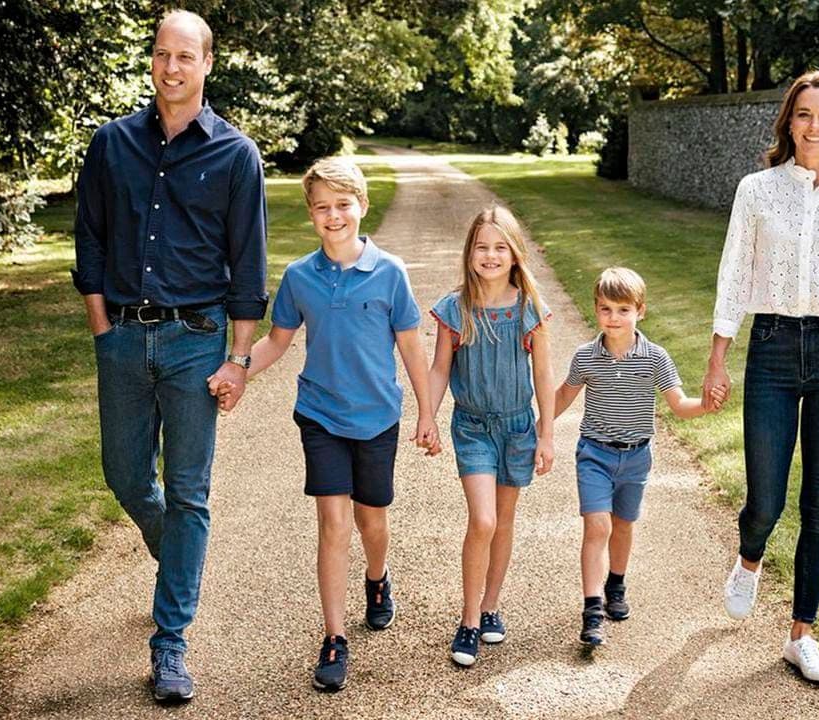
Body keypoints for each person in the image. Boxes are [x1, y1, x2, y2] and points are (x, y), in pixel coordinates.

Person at [71, 9, 267, 704]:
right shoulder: (112, 144)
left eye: (186, 56)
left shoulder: (237, 155)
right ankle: (175, 560)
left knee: (189, 492)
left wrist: (238, 359)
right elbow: (88, 242)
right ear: (152, 61)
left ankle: (170, 643)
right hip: (122, 337)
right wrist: (102, 329)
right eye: (162, 55)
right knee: (125, 475)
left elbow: (248, 266)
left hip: (195, 342)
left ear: (207, 64)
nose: (172, 67)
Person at [703, 70, 819, 683]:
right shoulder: (756, 190)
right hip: (772, 348)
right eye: (805, 114)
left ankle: (801, 635)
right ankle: (749, 557)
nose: (815, 126)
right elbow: (735, 272)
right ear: (789, 121)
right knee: (766, 500)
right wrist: (717, 355)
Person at [223, 156, 438, 692]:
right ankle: (334, 637)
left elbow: (412, 346)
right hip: (320, 415)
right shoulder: (299, 276)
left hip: (377, 417)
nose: (334, 216)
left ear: (362, 207)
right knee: (334, 524)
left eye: (343, 205)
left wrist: (427, 413)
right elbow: (278, 340)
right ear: (311, 215)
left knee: (372, 522)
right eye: (322, 208)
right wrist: (239, 369)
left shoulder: (390, 273)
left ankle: (377, 578)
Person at [554, 267, 724, 647]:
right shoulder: (586, 357)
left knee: (624, 525)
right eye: (605, 309)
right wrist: (539, 429)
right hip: (594, 454)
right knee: (597, 526)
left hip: (636, 458)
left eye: (622, 310)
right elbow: (564, 395)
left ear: (640, 311)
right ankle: (592, 608)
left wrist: (706, 407)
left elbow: (679, 405)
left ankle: (616, 584)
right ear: (596, 310)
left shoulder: (655, 358)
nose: (613, 318)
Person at [427, 205, 555, 667]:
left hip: (518, 427)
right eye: (482, 246)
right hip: (474, 427)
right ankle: (468, 620)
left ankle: (491, 605)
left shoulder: (529, 309)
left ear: (515, 254)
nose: (490, 255)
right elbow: (440, 368)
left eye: (500, 247)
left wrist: (546, 434)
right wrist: (428, 414)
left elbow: (543, 374)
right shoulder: (454, 309)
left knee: (503, 521)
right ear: (469, 253)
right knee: (482, 521)